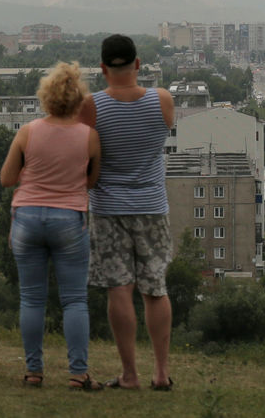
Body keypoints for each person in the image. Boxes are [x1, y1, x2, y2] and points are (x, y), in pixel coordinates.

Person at [78, 34, 175, 391]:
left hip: (108, 209)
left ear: (103, 68)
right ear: (137, 64)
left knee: (119, 289)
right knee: (155, 288)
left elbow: (86, 154)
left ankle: (130, 375)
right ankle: (161, 373)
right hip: (153, 207)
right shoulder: (161, 100)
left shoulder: (91, 106)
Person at [0, 61, 102, 390]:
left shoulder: (28, 132)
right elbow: (92, 181)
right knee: (74, 300)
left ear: (45, 97)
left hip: (27, 217)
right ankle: (78, 373)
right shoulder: (89, 137)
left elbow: (6, 179)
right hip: (69, 219)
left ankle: (33, 371)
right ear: (78, 100)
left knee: (31, 299)